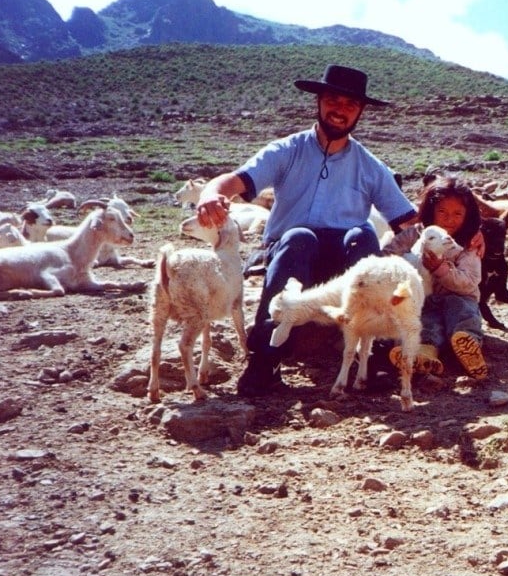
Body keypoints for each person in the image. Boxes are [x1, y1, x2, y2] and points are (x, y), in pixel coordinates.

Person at [196, 64, 417, 397]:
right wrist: (211, 194)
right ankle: (265, 360)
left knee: (363, 237)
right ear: (319, 101)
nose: (340, 110)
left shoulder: (371, 167)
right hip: (293, 255)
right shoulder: (287, 150)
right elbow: (236, 181)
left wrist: (468, 234)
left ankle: (374, 355)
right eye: (333, 99)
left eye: (350, 104)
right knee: (300, 238)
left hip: (345, 271)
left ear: (360, 112)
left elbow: (410, 223)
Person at [383, 175, 488, 380]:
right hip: (424, 299)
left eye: (458, 213)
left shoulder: (469, 243)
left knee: (463, 314)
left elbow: (468, 283)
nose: (450, 219)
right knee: (426, 322)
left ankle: (469, 345)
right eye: (442, 211)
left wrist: (441, 269)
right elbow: (388, 253)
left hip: (457, 296)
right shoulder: (416, 234)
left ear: (468, 215)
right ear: (431, 210)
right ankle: (422, 355)